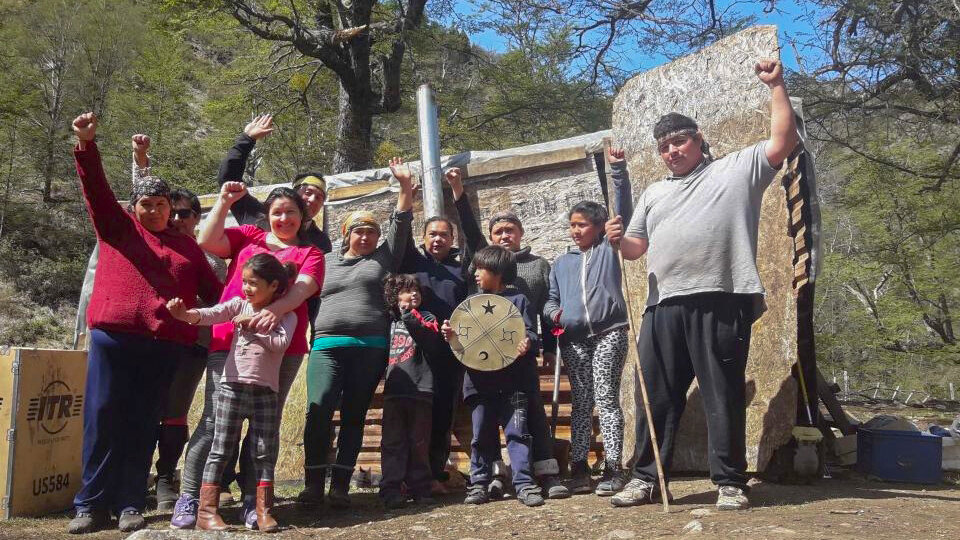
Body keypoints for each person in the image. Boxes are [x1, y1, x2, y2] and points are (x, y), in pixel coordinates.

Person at [607, 59, 799, 511]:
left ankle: (730, 482)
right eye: (664, 146)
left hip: (721, 297)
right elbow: (636, 248)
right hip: (663, 305)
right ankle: (646, 478)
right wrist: (619, 239)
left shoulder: (737, 169)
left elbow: (782, 139)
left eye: (679, 141)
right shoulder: (654, 193)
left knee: (722, 394)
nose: (671, 151)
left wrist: (776, 85)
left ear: (699, 141)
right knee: (655, 396)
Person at [67, 113, 222, 535]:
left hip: (165, 345)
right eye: (146, 204)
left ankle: (132, 502)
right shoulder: (116, 229)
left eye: (161, 204)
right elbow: (95, 188)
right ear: (133, 208)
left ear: (171, 208)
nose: (153, 210)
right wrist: (86, 143)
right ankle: (90, 504)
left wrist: (252, 302)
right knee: (102, 417)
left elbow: (218, 293)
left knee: (143, 421)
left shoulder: (187, 248)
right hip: (113, 338)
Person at [170, 181, 325, 530]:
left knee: (263, 429)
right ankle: (191, 497)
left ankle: (252, 504)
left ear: (303, 217)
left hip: (281, 349)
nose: (283, 218)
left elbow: (304, 289)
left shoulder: (310, 253)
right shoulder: (249, 236)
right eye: (277, 212)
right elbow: (207, 241)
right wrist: (224, 202)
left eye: (291, 212)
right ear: (267, 215)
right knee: (213, 423)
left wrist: (274, 313)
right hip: (228, 341)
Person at [299, 157, 414, 509]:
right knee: (318, 411)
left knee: (353, 415)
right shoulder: (323, 260)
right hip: (326, 346)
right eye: (358, 231)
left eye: (371, 232)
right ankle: (313, 483)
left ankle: (340, 486)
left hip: (369, 347)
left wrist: (405, 187)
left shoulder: (382, 260)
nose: (364, 236)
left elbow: (401, 223)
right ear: (346, 234)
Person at [448, 168, 567, 499]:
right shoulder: (480, 278)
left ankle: (539, 477)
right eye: (497, 231)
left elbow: (547, 310)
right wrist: (458, 190)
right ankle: (493, 479)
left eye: (509, 230)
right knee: (485, 431)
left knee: (531, 424)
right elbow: (471, 234)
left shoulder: (539, 266)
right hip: (483, 372)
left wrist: (544, 345)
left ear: (520, 232)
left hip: (519, 367)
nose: (503, 235)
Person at [167, 253, 299, 532]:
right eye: (244, 282)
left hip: (266, 391)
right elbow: (212, 314)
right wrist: (186, 315)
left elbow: (280, 344)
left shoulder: (287, 315)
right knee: (221, 447)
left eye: (253, 283)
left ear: (274, 285)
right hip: (231, 386)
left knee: (264, 450)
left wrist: (252, 326)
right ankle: (207, 511)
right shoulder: (239, 304)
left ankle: (263, 511)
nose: (246, 288)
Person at [542, 148, 633, 496]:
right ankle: (578, 467)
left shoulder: (609, 249)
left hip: (610, 333)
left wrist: (618, 170)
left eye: (581, 225)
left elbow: (621, 213)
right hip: (574, 339)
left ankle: (613, 468)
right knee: (581, 402)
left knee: (606, 398)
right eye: (572, 225)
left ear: (597, 227)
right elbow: (550, 300)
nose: (575, 230)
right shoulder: (561, 262)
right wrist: (554, 315)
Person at [398, 167, 484, 492]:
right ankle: (408, 476)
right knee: (414, 413)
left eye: (444, 235)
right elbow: (400, 231)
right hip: (416, 350)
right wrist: (407, 193)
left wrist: (458, 190)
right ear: (423, 239)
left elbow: (475, 240)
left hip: (450, 350)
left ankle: (433, 474)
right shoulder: (412, 263)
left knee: (443, 413)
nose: (438, 239)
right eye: (432, 234)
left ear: (451, 240)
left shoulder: (461, 268)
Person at [441, 245, 544, 508]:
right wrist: (451, 335)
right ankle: (479, 483)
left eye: (481, 268)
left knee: (518, 433)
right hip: (479, 382)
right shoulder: (470, 304)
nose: (475, 273)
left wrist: (526, 343)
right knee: (480, 436)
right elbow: (462, 339)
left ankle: (523, 483)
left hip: (514, 382)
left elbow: (530, 334)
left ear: (498, 272)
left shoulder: (520, 300)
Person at [378, 274, 448, 509]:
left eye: (416, 289)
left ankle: (420, 487)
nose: (413, 294)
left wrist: (409, 314)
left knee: (419, 442)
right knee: (392, 441)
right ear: (394, 296)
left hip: (421, 389)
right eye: (407, 290)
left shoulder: (427, 317)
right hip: (395, 391)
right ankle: (391, 488)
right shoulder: (389, 321)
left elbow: (429, 338)